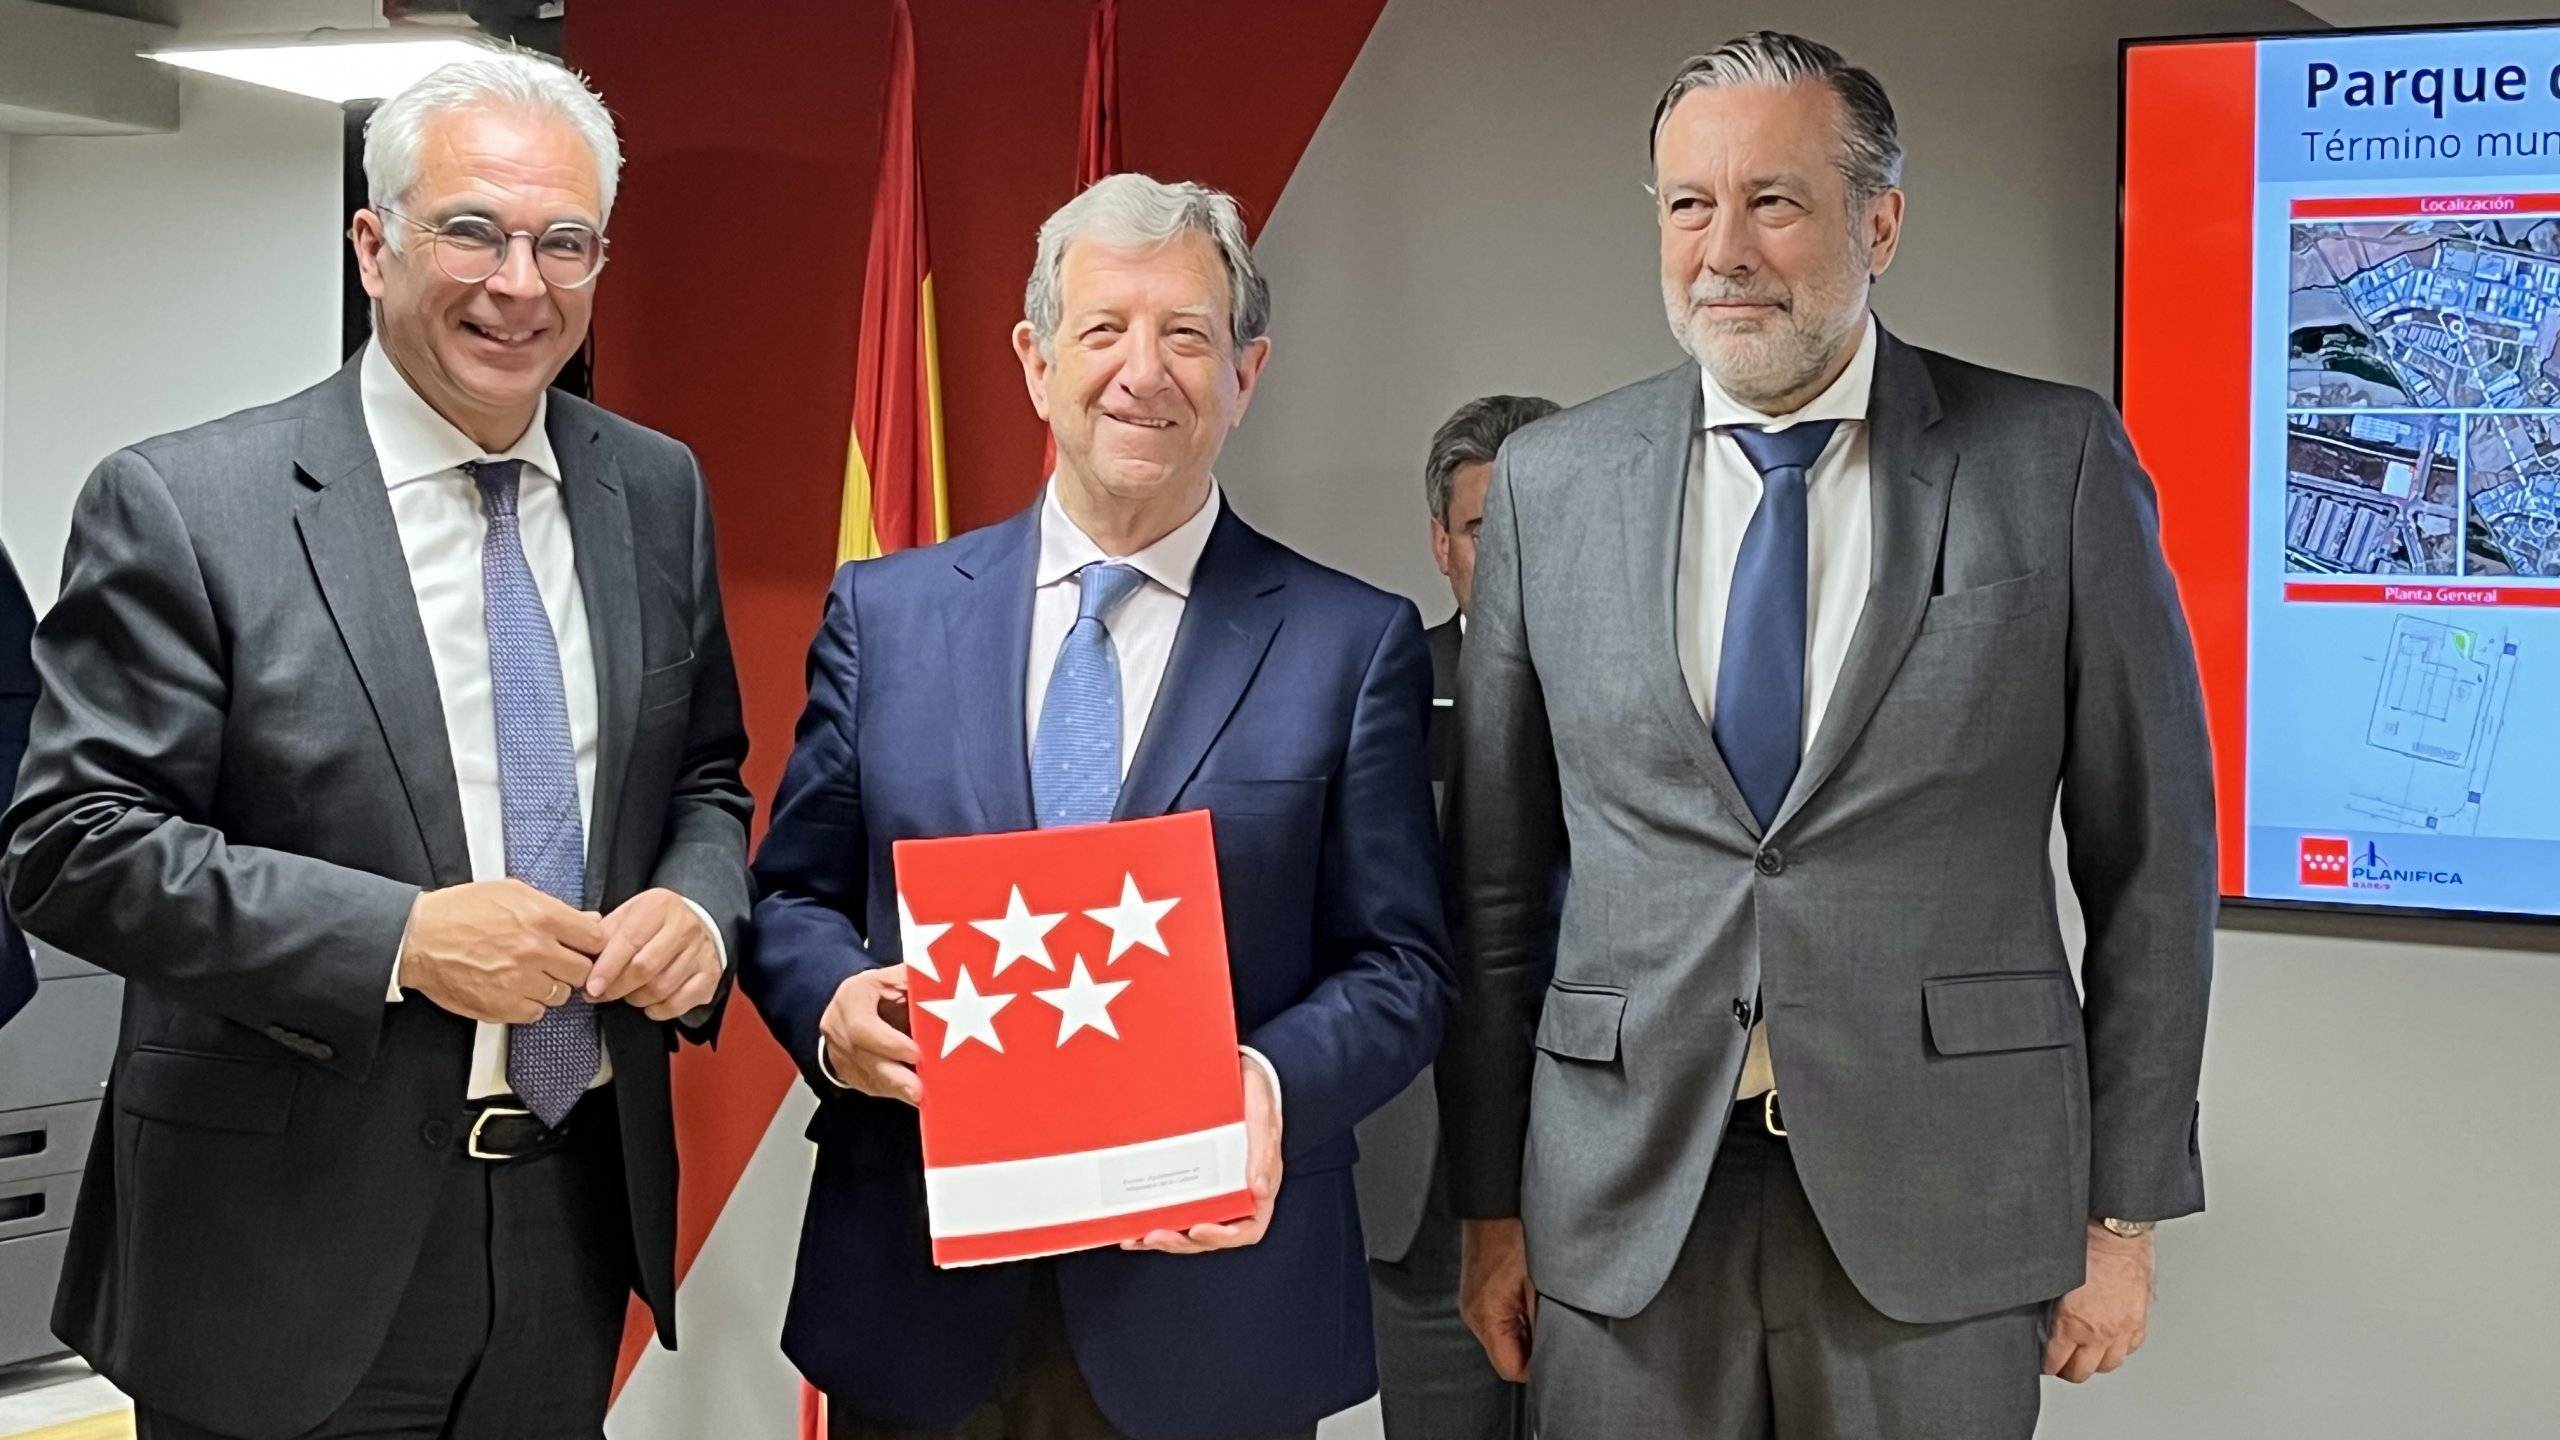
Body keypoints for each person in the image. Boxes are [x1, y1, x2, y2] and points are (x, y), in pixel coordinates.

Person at [1441, 31, 2215, 1439]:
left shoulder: (2053, 462)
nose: (1722, 249)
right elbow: (1496, 888)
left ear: (1882, 221)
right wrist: (1491, 1205)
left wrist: (2126, 1213)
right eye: (1688, 205)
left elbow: (2152, 865)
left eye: (1773, 201)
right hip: (1622, 1205)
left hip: (1945, 1196)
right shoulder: (1555, 485)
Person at [0, 47, 752, 1440]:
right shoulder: (187, 502)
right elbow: (72, 845)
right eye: (472, 227)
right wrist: (403, 939)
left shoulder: (652, 489)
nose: (516, 282)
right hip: (276, 1254)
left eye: (562, 241)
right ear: (374, 243)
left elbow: (706, 776)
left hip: (566, 1223)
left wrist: (701, 907)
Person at [743, 173, 1453, 1440]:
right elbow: (792, 893)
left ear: (1246, 370)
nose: (1145, 371)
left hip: (1215, 1311)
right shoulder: (885, 617)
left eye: (1187, 334)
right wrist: (831, 1006)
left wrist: (1264, 1085)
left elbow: (1402, 964)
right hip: (917, 1291)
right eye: (1104, 329)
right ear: (1034, 359)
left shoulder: (1353, 642)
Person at [1354, 394, 1555, 1440]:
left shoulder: (1673, 694)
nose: (1514, 557)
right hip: (1423, 1189)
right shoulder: (1376, 692)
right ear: (1441, 543)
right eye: (1485, 530)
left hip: (1614, 1177)